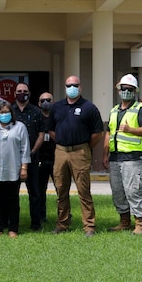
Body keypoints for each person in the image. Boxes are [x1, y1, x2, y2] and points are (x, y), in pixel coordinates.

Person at [48, 75, 104, 237]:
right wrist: (61, 141)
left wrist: (84, 146)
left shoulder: (89, 107)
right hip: (60, 152)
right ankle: (62, 223)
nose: (71, 88)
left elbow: (97, 133)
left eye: (75, 85)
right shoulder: (57, 107)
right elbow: (51, 130)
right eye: (68, 85)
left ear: (80, 87)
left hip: (80, 151)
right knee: (61, 189)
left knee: (83, 190)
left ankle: (89, 226)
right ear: (65, 87)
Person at [102, 74, 142, 235]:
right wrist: (105, 154)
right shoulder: (114, 110)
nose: (126, 92)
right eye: (123, 89)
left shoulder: (140, 109)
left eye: (129, 89)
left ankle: (140, 224)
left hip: (133, 158)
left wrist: (131, 130)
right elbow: (109, 133)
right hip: (115, 158)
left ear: (134, 91)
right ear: (119, 90)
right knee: (118, 191)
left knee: (133, 191)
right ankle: (124, 221)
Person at [0, 101, 30, 237]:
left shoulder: (20, 127)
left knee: (13, 200)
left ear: (11, 113)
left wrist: (24, 167)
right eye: (1, 112)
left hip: (14, 169)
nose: (4, 115)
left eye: (6, 112)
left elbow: (24, 149)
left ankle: (13, 228)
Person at [11, 82, 44, 230]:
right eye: (19, 91)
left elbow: (41, 135)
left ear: (29, 94)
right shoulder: (9, 111)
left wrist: (31, 152)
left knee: (35, 193)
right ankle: (12, 223)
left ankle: (36, 224)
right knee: (12, 193)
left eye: (24, 91)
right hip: (12, 159)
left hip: (32, 158)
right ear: (14, 93)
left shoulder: (37, 111)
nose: (22, 93)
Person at [36, 91, 56, 226]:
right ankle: (41, 215)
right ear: (39, 103)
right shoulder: (37, 118)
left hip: (56, 158)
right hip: (40, 159)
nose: (45, 102)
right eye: (42, 100)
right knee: (40, 190)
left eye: (48, 100)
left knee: (61, 189)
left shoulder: (57, 117)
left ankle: (65, 215)